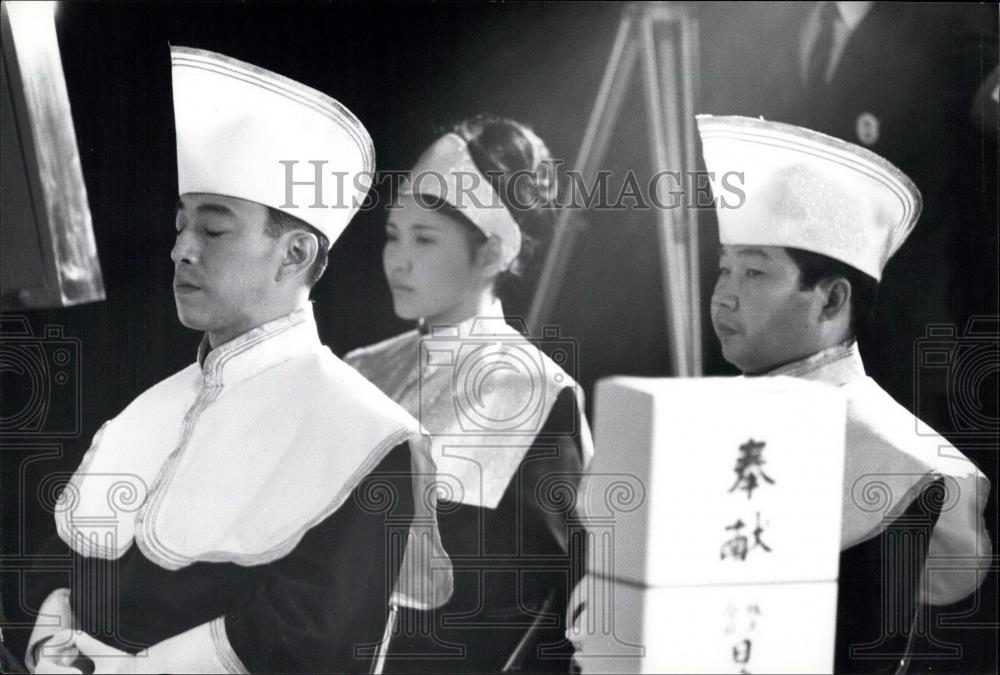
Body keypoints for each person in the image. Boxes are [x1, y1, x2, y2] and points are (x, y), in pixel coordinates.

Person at [23, 46, 448, 674]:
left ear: (295, 254)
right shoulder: (148, 407)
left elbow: (307, 636)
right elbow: (63, 564)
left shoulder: (371, 436)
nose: (181, 250)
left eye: (214, 230)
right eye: (181, 225)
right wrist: (49, 645)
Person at [698, 114, 992, 668]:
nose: (723, 297)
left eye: (754, 274)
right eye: (724, 270)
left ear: (832, 300)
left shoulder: (906, 461)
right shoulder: (697, 419)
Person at [343, 115, 594, 674]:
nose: (398, 259)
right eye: (393, 234)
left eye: (425, 238)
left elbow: (557, 605)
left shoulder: (535, 392)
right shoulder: (361, 369)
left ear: (491, 254)